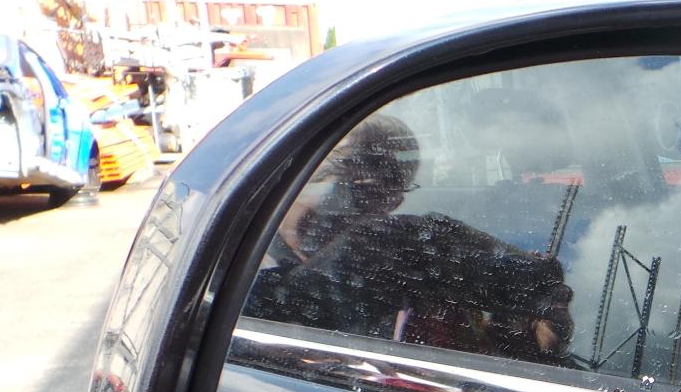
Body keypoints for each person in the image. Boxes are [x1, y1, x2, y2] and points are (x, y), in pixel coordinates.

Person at [244, 112, 575, 365]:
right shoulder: (245, 267)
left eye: (396, 188)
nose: (390, 203)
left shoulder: (402, 279)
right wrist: (531, 282)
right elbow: (406, 242)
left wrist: (513, 337)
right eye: (354, 176)